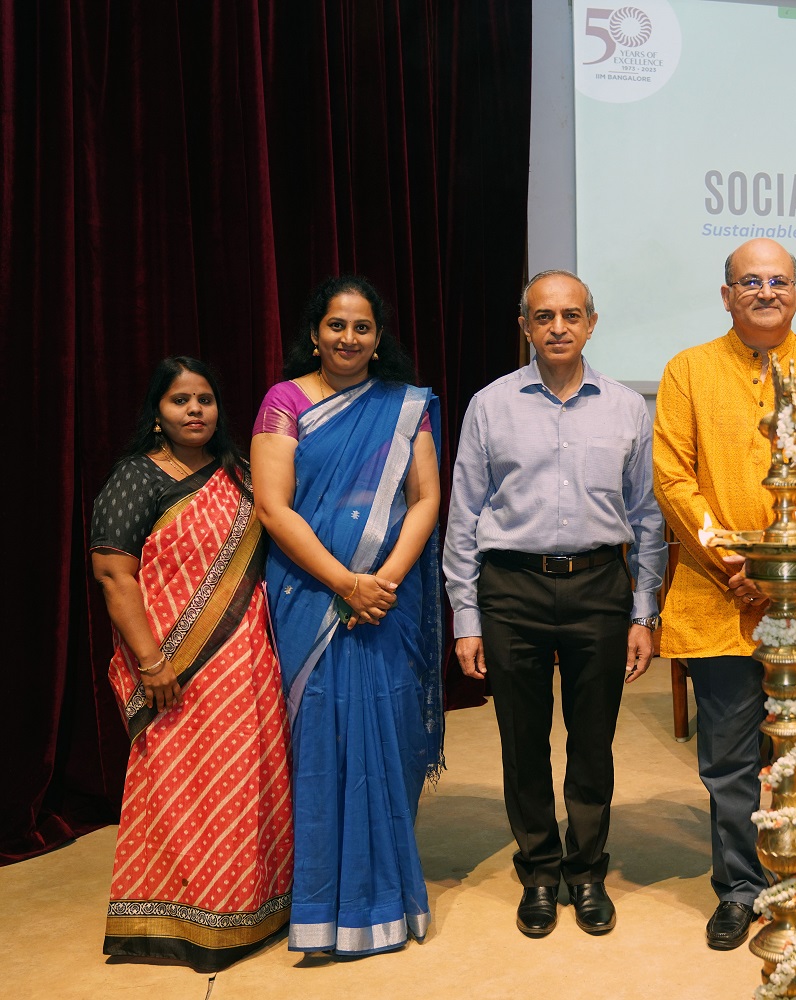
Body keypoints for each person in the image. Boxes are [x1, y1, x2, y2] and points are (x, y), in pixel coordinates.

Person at [654, 238, 796, 950]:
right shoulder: (687, 371)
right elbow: (673, 479)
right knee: (728, 758)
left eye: (779, 281)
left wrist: (785, 562)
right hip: (718, 596)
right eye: (750, 282)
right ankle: (742, 889)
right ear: (726, 295)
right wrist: (738, 564)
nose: (766, 292)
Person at [443, 269, 666, 938]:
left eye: (571, 315)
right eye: (544, 316)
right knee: (523, 740)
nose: (559, 327)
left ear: (591, 324)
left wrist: (643, 611)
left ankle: (588, 869)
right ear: (526, 326)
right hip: (511, 589)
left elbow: (647, 517)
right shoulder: (490, 405)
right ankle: (540, 870)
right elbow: (463, 516)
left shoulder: (627, 406)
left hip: (601, 586)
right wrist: (466, 616)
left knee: (593, 741)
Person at [251, 275, 444, 956]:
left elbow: (425, 499)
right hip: (311, 596)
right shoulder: (285, 401)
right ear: (314, 332)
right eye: (337, 325)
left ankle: (384, 898)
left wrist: (382, 582)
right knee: (321, 744)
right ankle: (319, 903)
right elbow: (274, 508)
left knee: (386, 736)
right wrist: (344, 584)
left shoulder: (404, 405)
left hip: (385, 602)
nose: (350, 339)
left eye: (363, 327)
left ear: (378, 336)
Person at [91, 356, 292, 971]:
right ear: (158, 413)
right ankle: (178, 918)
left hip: (247, 662)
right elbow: (112, 572)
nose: (195, 410)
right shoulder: (137, 478)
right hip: (175, 667)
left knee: (249, 785)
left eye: (204, 399)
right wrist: (152, 662)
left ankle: (252, 911)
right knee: (180, 790)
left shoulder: (239, 476)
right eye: (181, 400)